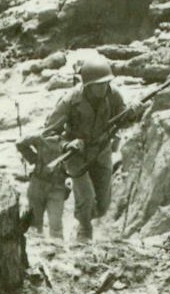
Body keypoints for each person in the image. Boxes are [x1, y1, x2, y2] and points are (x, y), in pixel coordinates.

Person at [42, 51, 133, 242]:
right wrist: (67, 144)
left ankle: (81, 218)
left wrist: (135, 113)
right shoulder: (70, 101)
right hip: (77, 155)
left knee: (102, 205)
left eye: (106, 83)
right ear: (88, 85)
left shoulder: (113, 95)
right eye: (99, 85)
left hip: (101, 151)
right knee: (87, 197)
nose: (104, 88)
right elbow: (48, 134)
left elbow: (124, 121)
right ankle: (83, 232)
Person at [16, 133, 70, 240]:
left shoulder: (68, 142)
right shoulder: (40, 140)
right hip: (37, 184)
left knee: (56, 226)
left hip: (57, 188)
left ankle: (57, 252)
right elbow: (20, 144)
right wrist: (33, 157)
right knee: (34, 225)